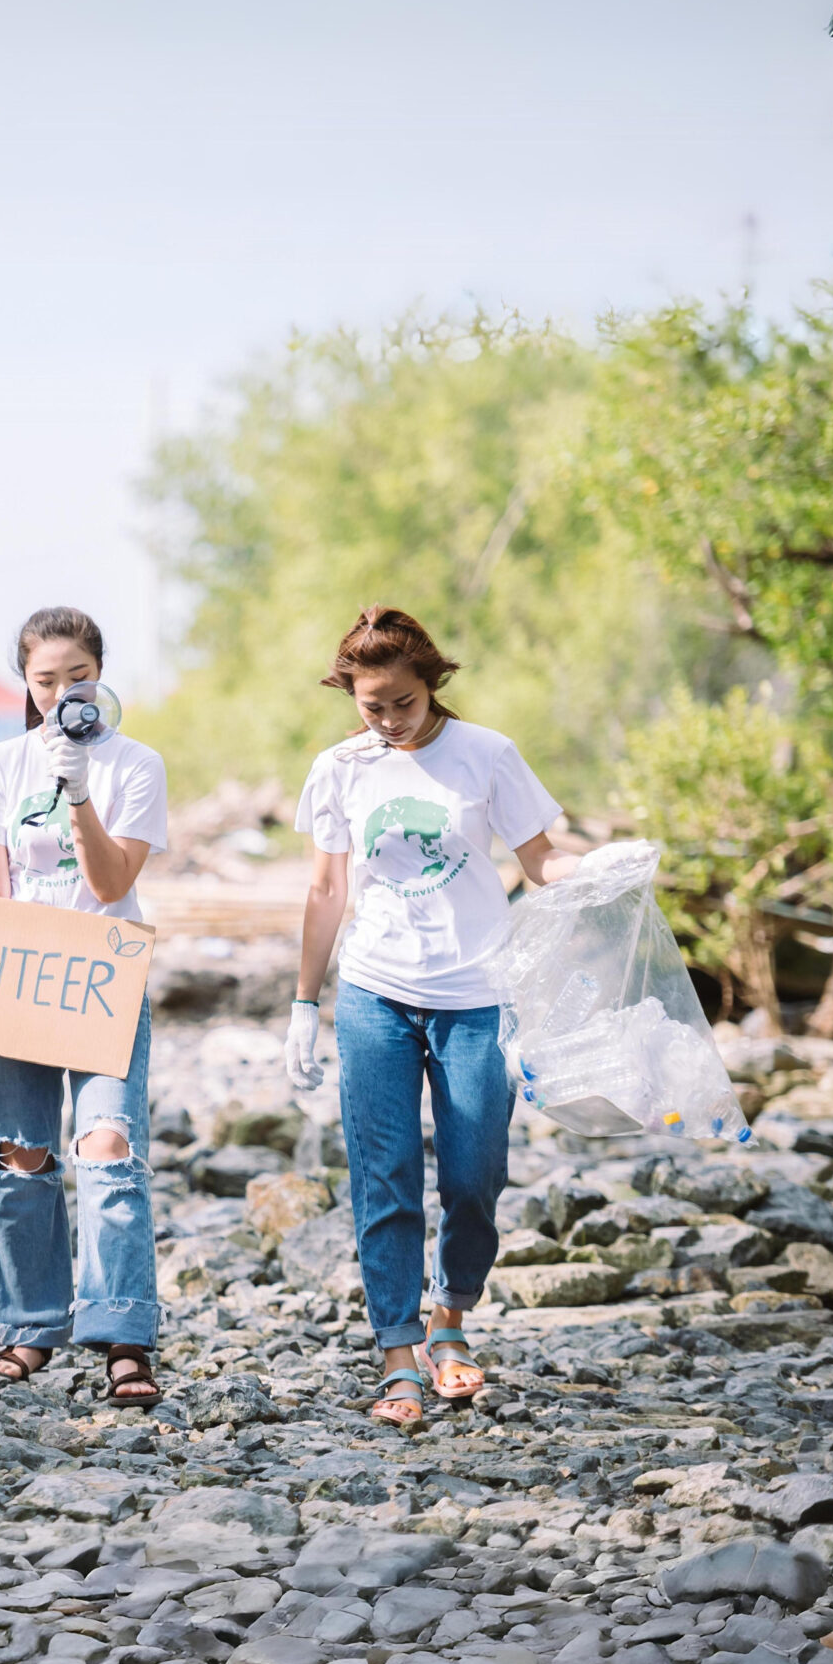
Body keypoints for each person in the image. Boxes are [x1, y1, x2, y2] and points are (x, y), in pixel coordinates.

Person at [286, 604, 573, 1425]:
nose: (387, 722)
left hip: (477, 996)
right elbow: (326, 888)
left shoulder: (486, 755)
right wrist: (305, 1004)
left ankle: (452, 1314)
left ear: (431, 685)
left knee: (474, 1176)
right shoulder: (340, 767)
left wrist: (612, 868)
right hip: (375, 992)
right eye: (369, 705)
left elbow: (541, 861)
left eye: (401, 704)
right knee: (386, 1179)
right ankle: (398, 1353)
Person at [0, 606, 168, 1407]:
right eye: (45, 681)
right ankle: (28, 1327)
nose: (62, 693)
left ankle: (124, 1335)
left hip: (105, 975)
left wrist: (79, 794)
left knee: (108, 1147)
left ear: (100, 674)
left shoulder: (136, 765)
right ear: (27, 685)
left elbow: (111, 884)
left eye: (78, 677)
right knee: (18, 1153)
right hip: (23, 974)